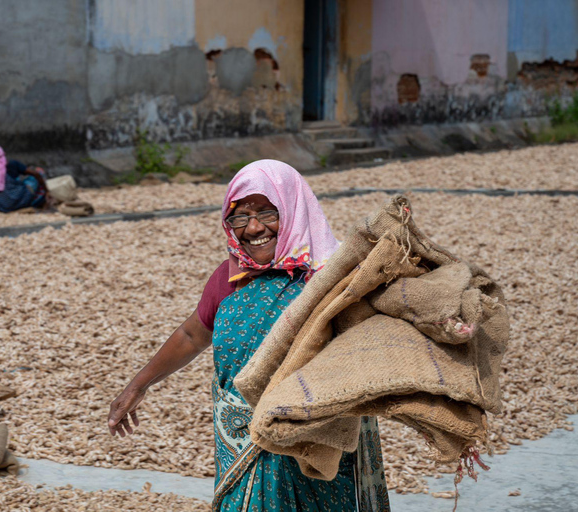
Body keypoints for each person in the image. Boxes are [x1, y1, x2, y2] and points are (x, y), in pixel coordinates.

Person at [108, 160, 390, 511]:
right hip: (240, 441)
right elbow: (193, 335)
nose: (253, 228)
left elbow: (383, 344)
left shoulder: (334, 278)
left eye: (267, 213)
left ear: (291, 206)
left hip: (314, 447)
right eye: (239, 217)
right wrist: (138, 385)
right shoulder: (230, 279)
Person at [0, 144, 50, 212]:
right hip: (19, 202)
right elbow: (35, 174)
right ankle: (40, 201)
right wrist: (47, 190)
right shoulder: (12, 164)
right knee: (39, 172)